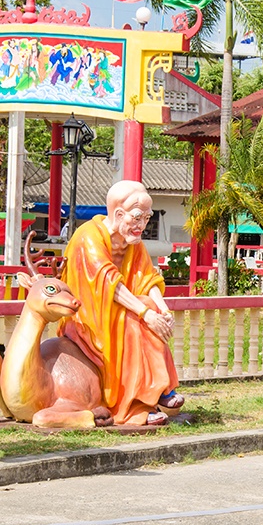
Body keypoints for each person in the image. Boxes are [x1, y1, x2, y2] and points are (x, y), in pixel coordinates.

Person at [58, 180, 183, 425]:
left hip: (118, 308)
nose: (142, 226)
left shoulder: (133, 243)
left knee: (148, 306)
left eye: (147, 219)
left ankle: (160, 389)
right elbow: (108, 282)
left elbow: (147, 278)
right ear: (118, 214)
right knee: (134, 319)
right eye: (137, 218)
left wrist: (162, 309)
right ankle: (137, 405)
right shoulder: (88, 238)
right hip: (88, 316)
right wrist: (147, 314)